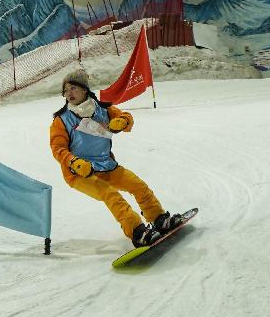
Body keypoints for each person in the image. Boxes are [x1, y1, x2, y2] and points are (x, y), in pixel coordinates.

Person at [49, 69, 183, 248]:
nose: (68, 93)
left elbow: (126, 117)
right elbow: (57, 148)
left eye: (73, 88)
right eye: (66, 90)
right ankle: (137, 232)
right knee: (111, 195)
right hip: (80, 173)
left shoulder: (103, 110)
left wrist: (123, 122)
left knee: (138, 186)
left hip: (107, 166)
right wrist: (73, 162)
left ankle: (159, 219)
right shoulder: (61, 120)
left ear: (84, 90)